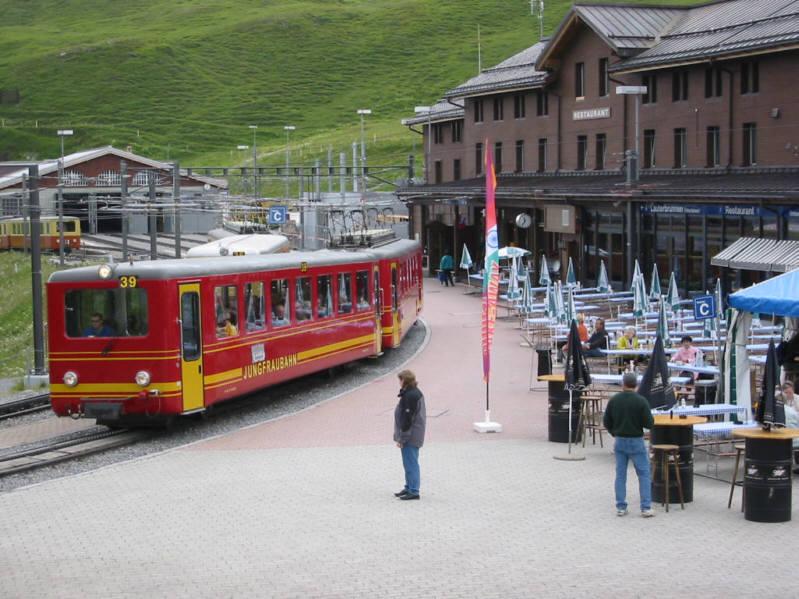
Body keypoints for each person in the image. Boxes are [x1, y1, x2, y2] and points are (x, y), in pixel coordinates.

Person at [603, 372, 655, 518]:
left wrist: (614, 432)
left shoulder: (615, 400)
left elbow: (606, 421)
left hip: (619, 440)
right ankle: (645, 507)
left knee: (620, 474)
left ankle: (621, 506)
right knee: (644, 473)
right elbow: (649, 423)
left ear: (622, 384)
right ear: (636, 384)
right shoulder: (641, 401)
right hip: (636, 440)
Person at [393, 369, 426, 501]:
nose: (399, 382)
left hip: (411, 436)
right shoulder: (413, 393)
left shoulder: (410, 396)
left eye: (399, 380)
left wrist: (402, 438)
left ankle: (413, 491)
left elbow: (407, 420)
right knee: (408, 463)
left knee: (411, 463)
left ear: (404, 380)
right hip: (414, 434)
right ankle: (409, 487)